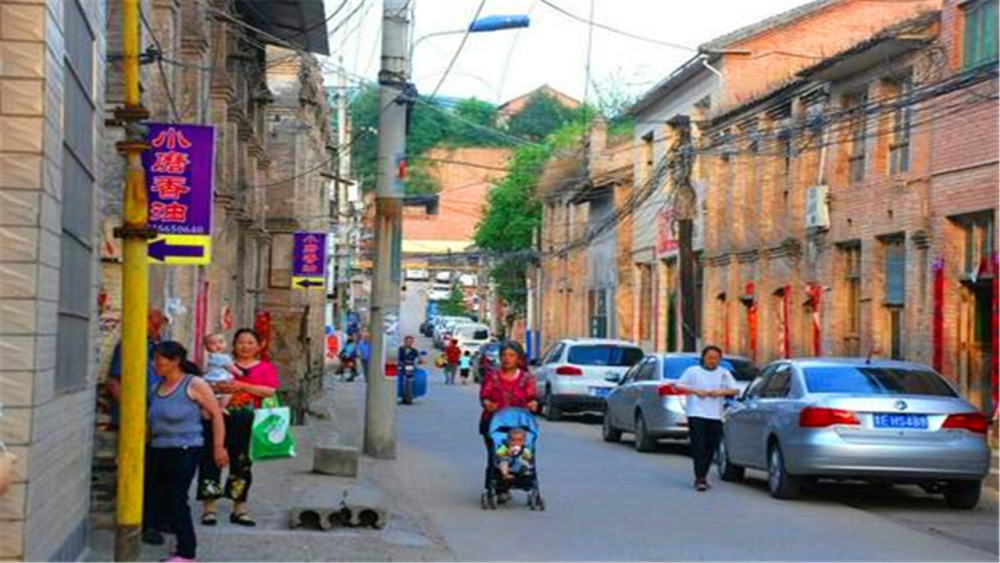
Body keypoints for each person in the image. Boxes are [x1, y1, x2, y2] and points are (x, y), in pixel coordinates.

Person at [147, 341, 228, 563]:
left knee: (176, 498)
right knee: (163, 498)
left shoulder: (194, 384)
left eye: (159, 360)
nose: (155, 364)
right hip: (159, 449)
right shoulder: (155, 388)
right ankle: (177, 543)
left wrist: (218, 448)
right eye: (153, 359)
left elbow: (216, 415)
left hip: (187, 449)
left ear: (175, 361)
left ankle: (187, 553)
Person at [197, 329, 278, 526]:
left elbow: (269, 391)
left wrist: (240, 386)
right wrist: (218, 388)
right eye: (241, 342)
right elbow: (205, 386)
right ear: (233, 345)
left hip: (246, 422)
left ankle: (239, 508)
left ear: (259, 346)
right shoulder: (219, 363)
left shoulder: (265, 368)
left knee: (241, 463)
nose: (245, 346)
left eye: (250, 342)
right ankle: (209, 508)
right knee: (210, 459)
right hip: (216, 419)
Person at [105, 308, 169, 545]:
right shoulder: (130, 344)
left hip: (160, 419)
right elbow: (114, 382)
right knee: (139, 472)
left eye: (155, 321)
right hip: (137, 419)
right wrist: (134, 412)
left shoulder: (161, 346)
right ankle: (139, 522)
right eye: (151, 321)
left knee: (158, 472)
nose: (153, 326)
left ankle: (157, 518)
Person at [675, 345, 739, 492]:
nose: (712, 361)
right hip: (696, 413)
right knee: (698, 445)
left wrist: (720, 392)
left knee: (711, 446)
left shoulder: (724, 373)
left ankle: (703, 474)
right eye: (709, 357)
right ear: (703, 358)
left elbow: (735, 389)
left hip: (715, 415)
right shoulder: (693, 371)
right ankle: (700, 477)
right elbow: (678, 386)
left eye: (716, 358)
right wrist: (695, 391)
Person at [479, 342, 538, 503]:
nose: (507, 359)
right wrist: (487, 403)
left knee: (521, 453)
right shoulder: (493, 376)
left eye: (511, 355)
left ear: (518, 358)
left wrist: (533, 404)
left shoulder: (526, 378)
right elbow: (485, 395)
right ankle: (498, 487)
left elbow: (532, 397)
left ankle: (521, 479)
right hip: (495, 423)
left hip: (519, 425)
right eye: (504, 355)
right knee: (496, 454)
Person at [202, 333, 243, 411]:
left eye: (221, 342)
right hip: (219, 378)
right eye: (213, 343)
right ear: (206, 347)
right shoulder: (222, 357)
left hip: (210, 379)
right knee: (228, 394)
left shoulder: (211, 356)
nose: (217, 345)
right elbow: (230, 367)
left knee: (213, 395)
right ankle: (221, 407)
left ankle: (214, 407)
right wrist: (239, 372)